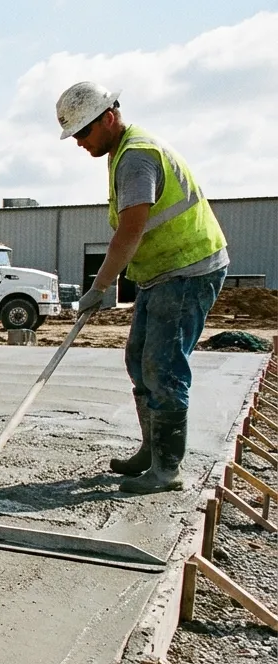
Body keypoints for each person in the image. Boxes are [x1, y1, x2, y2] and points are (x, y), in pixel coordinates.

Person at [56, 82, 228, 494]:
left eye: (83, 133)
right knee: (139, 361)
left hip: (188, 269)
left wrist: (99, 287)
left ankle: (167, 470)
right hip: (161, 273)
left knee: (162, 367)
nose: (79, 143)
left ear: (109, 118)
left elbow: (130, 231)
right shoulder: (121, 152)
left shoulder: (136, 157)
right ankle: (152, 451)